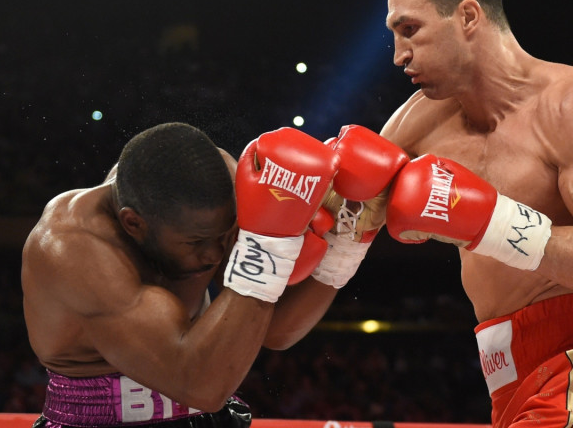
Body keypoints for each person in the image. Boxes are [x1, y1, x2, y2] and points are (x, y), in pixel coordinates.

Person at [379, 0, 573, 426]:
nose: (399, 54)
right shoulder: (417, 124)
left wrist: (491, 222)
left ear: (469, 16)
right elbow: (340, 220)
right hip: (509, 384)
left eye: (410, 28)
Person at [21, 122, 354, 428]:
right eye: (195, 242)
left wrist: (346, 247)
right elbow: (200, 387)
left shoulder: (218, 191)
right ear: (133, 223)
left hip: (210, 411)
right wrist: (264, 248)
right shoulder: (76, 248)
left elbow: (274, 328)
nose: (213, 254)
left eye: (222, 237)